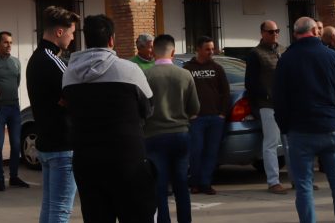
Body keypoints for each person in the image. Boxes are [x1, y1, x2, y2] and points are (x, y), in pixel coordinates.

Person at [62, 14, 156, 222]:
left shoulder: (69, 74)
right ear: (111, 39)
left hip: (87, 161)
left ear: (86, 40)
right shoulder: (129, 70)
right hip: (127, 159)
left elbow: (70, 109)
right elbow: (149, 108)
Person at [274, 16, 335, 223]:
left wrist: (285, 127)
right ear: (316, 32)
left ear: (295, 34)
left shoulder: (286, 60)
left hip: (300, 130)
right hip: (330, 126)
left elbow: (279, 99)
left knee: (303, 185)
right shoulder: (334, 57)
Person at [26, 6, 79, 223]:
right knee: (60, 210)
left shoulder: (36, 58)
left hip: (48, 142)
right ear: (59, 32)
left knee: (50, 207)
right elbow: (75, 95)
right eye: (71, 32)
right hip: (62, 144)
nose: (73, 38)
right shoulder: (52, 60)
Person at [144, 34, 199, 223]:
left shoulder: (146, 76)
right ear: (173, 52)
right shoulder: (185, 75)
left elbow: (141, 109)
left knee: (159, 186)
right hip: (180, 134)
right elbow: (194, 108)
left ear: (153, 52)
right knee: (181, 184)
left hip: (153, 136)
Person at [183, 35, 230, 195]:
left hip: (216, 118)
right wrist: (189, 114)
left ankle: (206, 183)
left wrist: (222, 114)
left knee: (211, 152)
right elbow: (183, 93)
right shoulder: (188, 69)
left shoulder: (217, 68)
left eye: (212, 49)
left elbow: (225, 92)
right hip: (196, 119)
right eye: (207, 49)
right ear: (198, 49)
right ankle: (194, 182)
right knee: (196, 151)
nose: (211, 52)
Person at [245, 20, 288, 194]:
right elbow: (251, 82)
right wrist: (266, 95)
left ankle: (297, 179)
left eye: (277, 31)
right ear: (262, 33)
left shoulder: (283, 50)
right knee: (271, 143)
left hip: (285, 103)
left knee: (290, 142)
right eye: (271, 32)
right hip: (268, 105)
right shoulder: (256, 54)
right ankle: (273, 181)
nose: (275, 34)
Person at [0, 30, 29, 191]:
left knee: (16, 144)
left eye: (11, 42)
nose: (9, 45)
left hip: (14, 108)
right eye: (6, 42)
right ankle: (0, 179)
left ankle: (13, 177)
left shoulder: (16, 62)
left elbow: (17, 82)